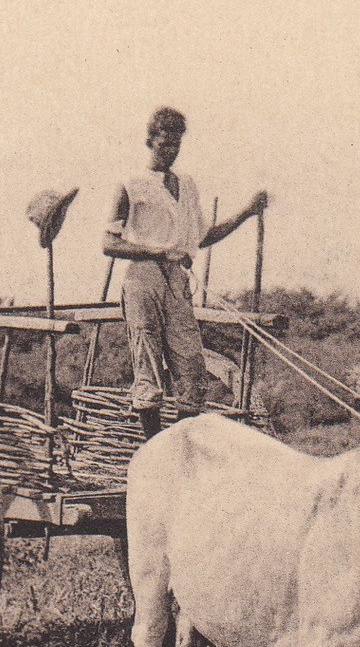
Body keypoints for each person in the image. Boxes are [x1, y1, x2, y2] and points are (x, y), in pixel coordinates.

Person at [104, 107, 267, 440]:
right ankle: (154, 451)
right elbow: (109, 243)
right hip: (143, 280)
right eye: (165, 144)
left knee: (190, 365)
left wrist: (247, 213)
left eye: (176, 145)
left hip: (177, 282)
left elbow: (202, 236)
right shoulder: (131, 185)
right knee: (147, 365)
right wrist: (158, 251)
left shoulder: (188, 186)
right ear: (150, 141)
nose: (171, 151)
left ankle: (183, 449)